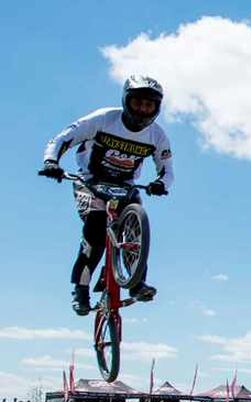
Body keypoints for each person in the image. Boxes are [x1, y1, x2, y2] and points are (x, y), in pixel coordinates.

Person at [38, 75, 173, 315]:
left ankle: (136, 283)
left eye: (149, 105)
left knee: (136, 228)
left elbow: (167, 170)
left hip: (125, 186)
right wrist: (51, 162)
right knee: (96, 231)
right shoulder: (102, 119)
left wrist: (160, 183)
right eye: (138, 103)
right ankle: (80, 291)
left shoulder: (157, 135)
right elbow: (61, 140)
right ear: (126, 101)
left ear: (156, 108)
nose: (142, 110)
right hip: (90, 181)